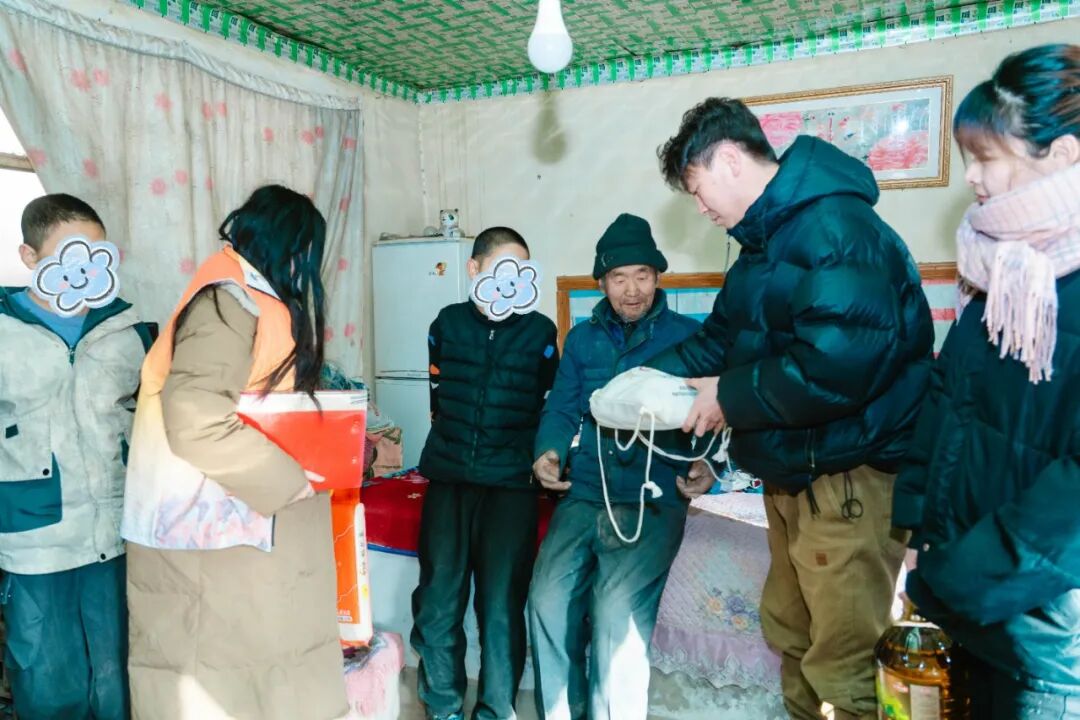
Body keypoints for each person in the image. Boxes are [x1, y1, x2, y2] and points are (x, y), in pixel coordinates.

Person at [653, 101, 934, 720]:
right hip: (793, 474)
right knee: (793, 636)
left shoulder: (835, 228)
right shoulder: (762, 246)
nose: (700, 210)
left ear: (730, 159)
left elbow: (839, 364)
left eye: (697, 190)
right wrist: (641, 380)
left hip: (847, 476)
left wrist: (727, 396)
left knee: (844, 664)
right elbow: (720, 340)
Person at [893, 43, 1080, 719]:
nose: (970, 177)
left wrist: (959, 579)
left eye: (986, 157)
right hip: (970, 606)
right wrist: (920, 536)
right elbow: (950, 402)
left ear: (1061, 154)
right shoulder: (998, 266)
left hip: (1046, 639)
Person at [121, 186, 347, 720]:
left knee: (260, 675)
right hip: (210, 521)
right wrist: (288, 481)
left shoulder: (248, 295)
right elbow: (195, 418)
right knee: (218, 681)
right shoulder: (228, 300)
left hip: (242, 519)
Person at [528, 213, 713, 720]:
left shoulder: (691, 337)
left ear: (657, 276)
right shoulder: (582, 339)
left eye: (642, 276)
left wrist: (706, 464)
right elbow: (562, 406)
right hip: (586, 490)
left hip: (651, 496)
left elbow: (712, 416)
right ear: (602, 283)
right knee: (545, 600)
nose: (632, 290)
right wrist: (548, 451)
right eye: (618, 278)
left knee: (615, 618)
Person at [0, 193, 150, 719]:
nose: (84, 271)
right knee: (46, 675)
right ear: (29, 257)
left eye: (96, 255)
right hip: (34, 541)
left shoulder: (127, 329)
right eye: (68, 256)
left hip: (116, 533)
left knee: (119, 674)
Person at [411, 227, 559, 720]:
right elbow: (438, 396)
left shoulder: (540, 333)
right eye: (501, 268)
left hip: (511, 486)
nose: (512, 280)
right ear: (474, 269)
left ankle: (496, 710)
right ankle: (443, 706)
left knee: (500, 607)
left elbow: (547, 404)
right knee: (438, 599)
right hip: (449, 479)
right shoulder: (446, 324)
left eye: (522, 270)